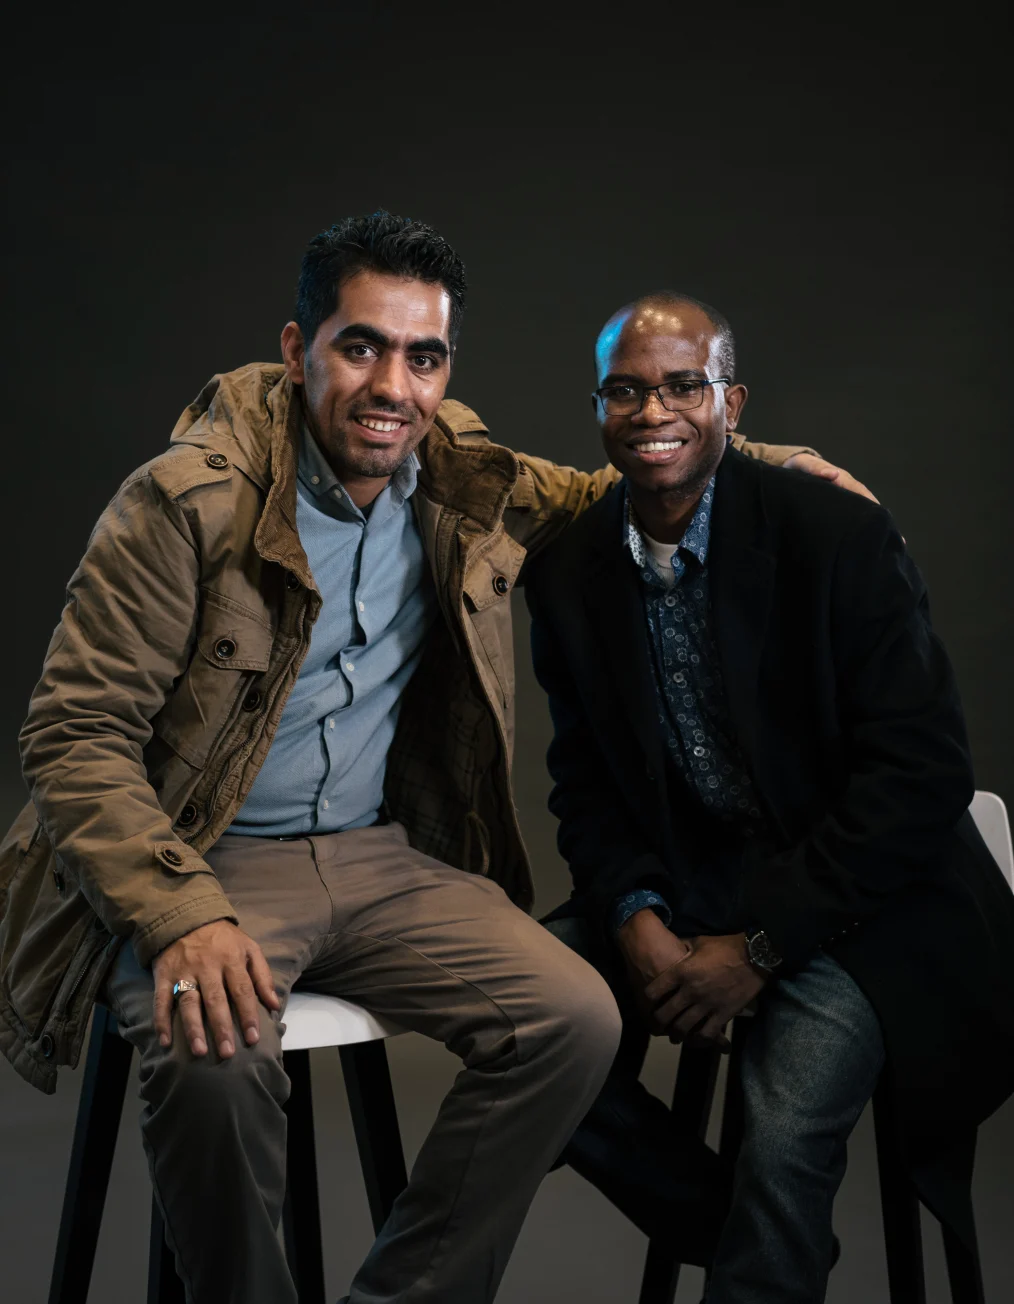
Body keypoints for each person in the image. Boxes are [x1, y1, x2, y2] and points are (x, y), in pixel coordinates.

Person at [0, 213, 861, 1304]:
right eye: (361, 345)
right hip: (202, 859)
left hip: (374, 856)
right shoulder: (185, 501)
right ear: (297, 347)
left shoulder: (455, 471)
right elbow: (71, 739)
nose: (392, 385)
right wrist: (182, 915)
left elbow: (619, 486)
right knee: (212, 1058)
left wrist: (774, 461)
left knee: (576, 1016)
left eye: (424, 355)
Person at [526, 292, 1014, 1302]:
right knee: (520, 1024)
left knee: (783, 1120)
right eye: (625, 388)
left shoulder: (833, 532)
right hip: (692, 883)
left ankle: (764, 1227)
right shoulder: (570, 571)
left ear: (730, 401)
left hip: (867, 901)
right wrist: (636, 915)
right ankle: (749, 1232)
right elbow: (584, 782)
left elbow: (920, 774)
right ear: (598, 407)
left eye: (680, 385)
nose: (651, 408)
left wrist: (759, 949)